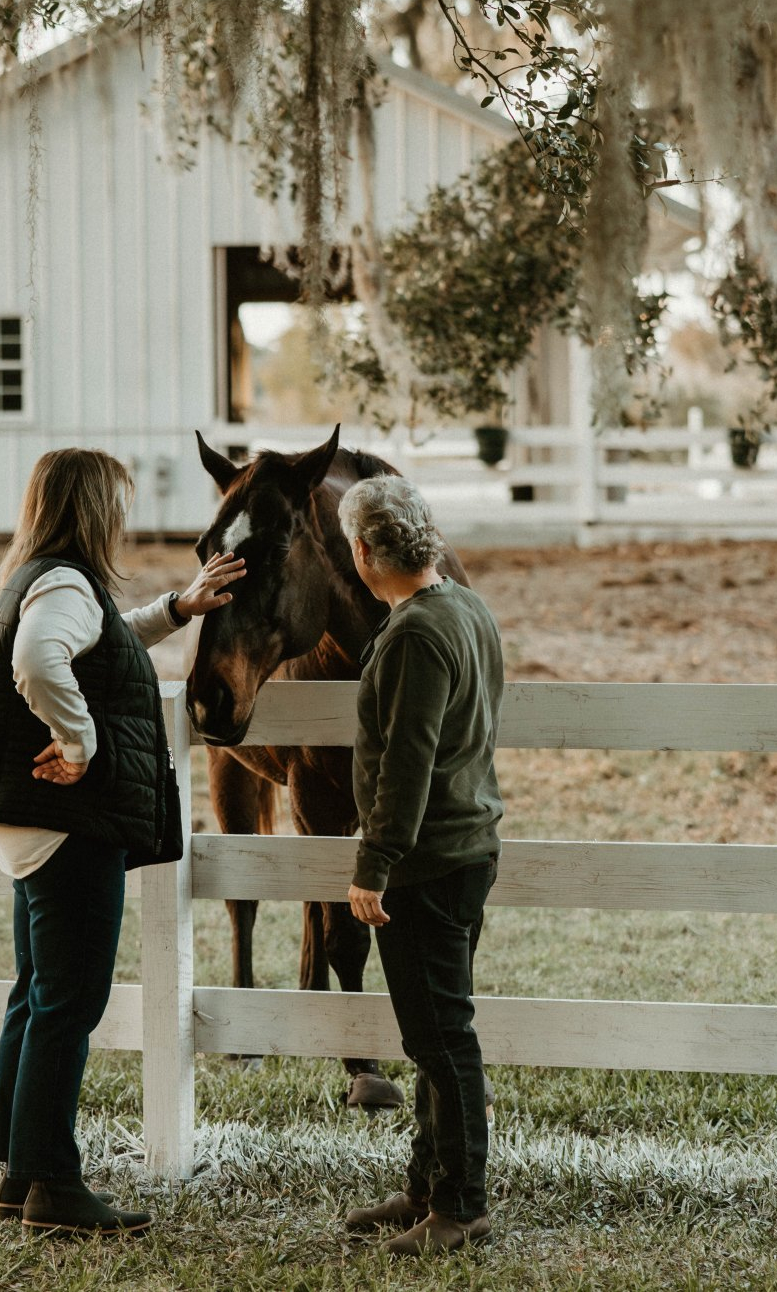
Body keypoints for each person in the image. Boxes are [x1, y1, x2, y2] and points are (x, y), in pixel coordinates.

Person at [0, 447, 246, 1237]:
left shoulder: (41, 576)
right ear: (92, 510)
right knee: (67, 1003)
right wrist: (78, 742)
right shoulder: (62, 582)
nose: (123, 516)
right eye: (115, 502)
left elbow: (100, 640)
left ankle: (21, 1174)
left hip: (30, 821)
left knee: (37, 994)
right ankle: (52, 1181)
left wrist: (176, 610)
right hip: (66, 824)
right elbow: (40, 658)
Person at [335, 474, 505, 1256]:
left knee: (441, 1041)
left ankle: (461, 1206)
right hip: (466, 848)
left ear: (366, 551)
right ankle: (427, 1186)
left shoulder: (412, 635)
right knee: (438, 1033)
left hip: (427, 861)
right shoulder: (467, 608)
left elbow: (408, 761)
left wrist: (375, 863)